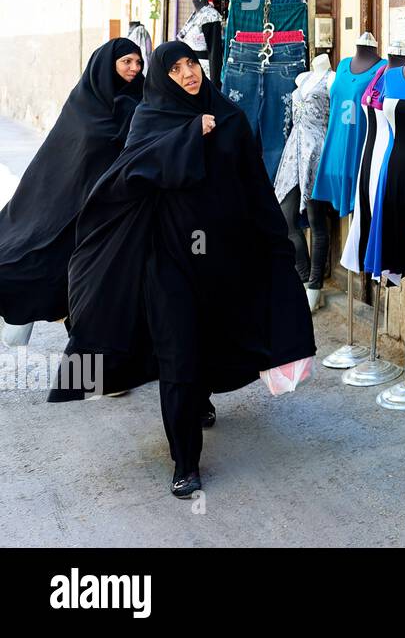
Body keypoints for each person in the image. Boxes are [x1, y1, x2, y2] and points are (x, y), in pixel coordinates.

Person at [49, 41, 317, 498]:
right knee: (176, 353)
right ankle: (185, 462)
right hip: (167, 262)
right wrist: (189, 135)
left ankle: (203, 396)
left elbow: (256, 190)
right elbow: (131, 176)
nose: (188, 73)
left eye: (191, 63)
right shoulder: (149, 120)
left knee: (210, 340)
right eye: (175, 69)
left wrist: (280, 247)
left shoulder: (230, 119)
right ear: (161, 78)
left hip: (223, 260)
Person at [0, 38, 144, 345]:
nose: (134, 68)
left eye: (138, 62)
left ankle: (106, 361)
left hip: (119, 211)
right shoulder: (82, 106)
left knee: (107, 284)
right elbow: (56, 162)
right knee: (58, 274)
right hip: (74, 213)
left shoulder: (142, 101)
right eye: (127, 62)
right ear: (108, 65)